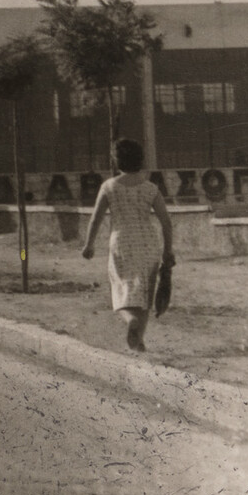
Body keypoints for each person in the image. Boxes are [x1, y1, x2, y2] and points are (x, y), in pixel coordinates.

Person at [80, 139, 175, 353]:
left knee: (121, 287)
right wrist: (168, 250)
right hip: (148, 243)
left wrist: (89, 245)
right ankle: (138, 341)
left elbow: (95, 219)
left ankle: (130, 319)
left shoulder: (109, 187)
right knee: (145, 293)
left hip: (121, 241)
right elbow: (166, 222)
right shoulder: (150, 188)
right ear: (140, 160)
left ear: (116, 160)